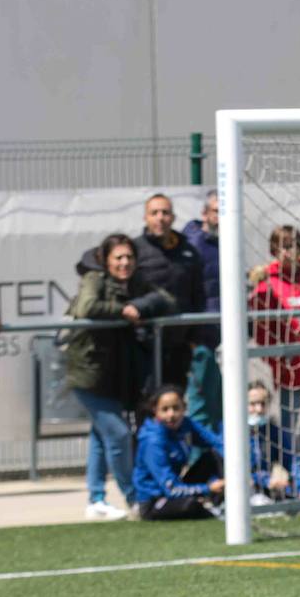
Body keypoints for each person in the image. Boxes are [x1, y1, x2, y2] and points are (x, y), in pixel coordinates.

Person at [65, 233, 175, 520]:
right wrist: (122, 310)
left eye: (129, 257)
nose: (125, 263)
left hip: (115, 374)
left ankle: (96, 499)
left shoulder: (137, 282)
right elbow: (86, 307)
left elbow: (166, 299)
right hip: (89, 373)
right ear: (105, 260)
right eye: (118, 258)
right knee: (119, 434)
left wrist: (141, 306)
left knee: (102, 437)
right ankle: (135, 499)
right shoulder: (95, 279)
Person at [249, 225, 300, 500]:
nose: (288, 251)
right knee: (296, 432)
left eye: (293, 244)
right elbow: (261, 331)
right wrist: (278, 359)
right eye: (282, 246)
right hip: (291, 371)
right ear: (274, 250)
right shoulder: (267, 284)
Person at [136, 193, 206, 390]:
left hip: (179, 344)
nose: (160, 217)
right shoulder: (135, 250)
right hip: (144, 344)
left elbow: (198, 296)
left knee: (175, 397)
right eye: (154, 213)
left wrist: (195, 339)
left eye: (165, 212)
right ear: (145, 217)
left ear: (173, 218)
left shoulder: (188, 251)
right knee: (146, 400)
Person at [133, 384, 225, 521]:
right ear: (155, 410)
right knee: (190, 506)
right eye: (165, 409)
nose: (171, 414)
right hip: (156, 500)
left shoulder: (186, 425)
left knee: (214, 456)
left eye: (176, 408)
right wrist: (208, 488)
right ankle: (213, 509)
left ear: (184, 408)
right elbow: (171, 489)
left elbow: (217, 443)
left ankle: (234, 497)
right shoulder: (153, 442)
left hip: (177, 486)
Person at [181, 190, 223, 432]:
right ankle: (199, 464)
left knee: (218, 403)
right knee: (200, 405)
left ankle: (215, 461)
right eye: (218, 211)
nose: (222, 217)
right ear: (205, 214)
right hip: (200, 337)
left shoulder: (225, 243)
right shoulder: (194, 245)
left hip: (220, 334)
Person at [247, 381, 300, 503]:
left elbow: (292, 461)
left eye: (263, 404)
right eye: (253, 404)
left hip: (263, 490)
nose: (259, 409)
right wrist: (265, 480)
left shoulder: (272, 432)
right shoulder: (229, 432)